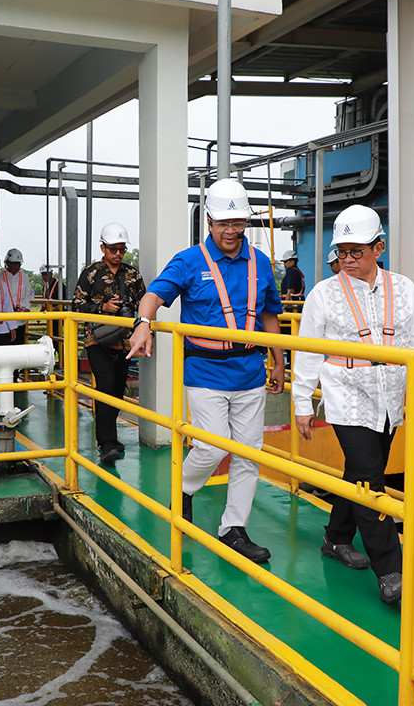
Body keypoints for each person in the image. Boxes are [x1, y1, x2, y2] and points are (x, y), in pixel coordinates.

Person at [291, 204, 414, 605]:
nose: (347, 260)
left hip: (391, 399)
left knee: (357, 472)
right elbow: (306, 352)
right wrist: (302, 402)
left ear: (379, 248)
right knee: (371, 483)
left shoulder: (405, 288)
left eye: (356, 252)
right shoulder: (324, 294)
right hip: (348, 398)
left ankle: (336, 538)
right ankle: (392, 570)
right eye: (341, 252)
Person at [129, 179, 284, 564]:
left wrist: (280, 360)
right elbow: (154, 296)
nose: (230, 231)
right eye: (223, 223)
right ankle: (182, 490)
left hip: (250, 370)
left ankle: (234, 528)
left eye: (238, 222)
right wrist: (143, 322)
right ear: (209, 221)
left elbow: (269, 314)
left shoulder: (261, 262)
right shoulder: (189, 261)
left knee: (249, 454)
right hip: (205, 371)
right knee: (212, 445)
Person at [73, 223, 146, 465]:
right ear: (102, 248)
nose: (117, 254)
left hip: (124, 342)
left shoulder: (133, 275)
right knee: (105, 386)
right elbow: (76, 306)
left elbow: (144, 304)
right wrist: (101, 308)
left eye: (121, 249)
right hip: (97, 341)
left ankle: (111, 438)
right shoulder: (91, 274)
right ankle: (106, 442)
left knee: (116, 391)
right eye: (113, 249)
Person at [1, 248, 33, 346]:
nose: (16, 266)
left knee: (19, 347)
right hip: (4, 320)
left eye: (18, 263)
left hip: (20, 319)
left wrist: (27, 308)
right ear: (7, 263)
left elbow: (29, 294)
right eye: (13, 263)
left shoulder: (24, 277)